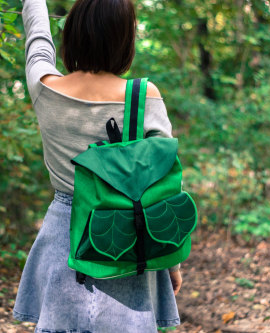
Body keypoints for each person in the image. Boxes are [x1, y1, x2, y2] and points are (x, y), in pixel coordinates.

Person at [13, 0, 183, 331]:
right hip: (129, 239)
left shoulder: (45, 88)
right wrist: (171, 261)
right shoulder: (143, 96)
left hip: (65, 237)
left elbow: (37, 41)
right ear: (124, 39)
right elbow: (166, 187)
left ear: (73, 32)